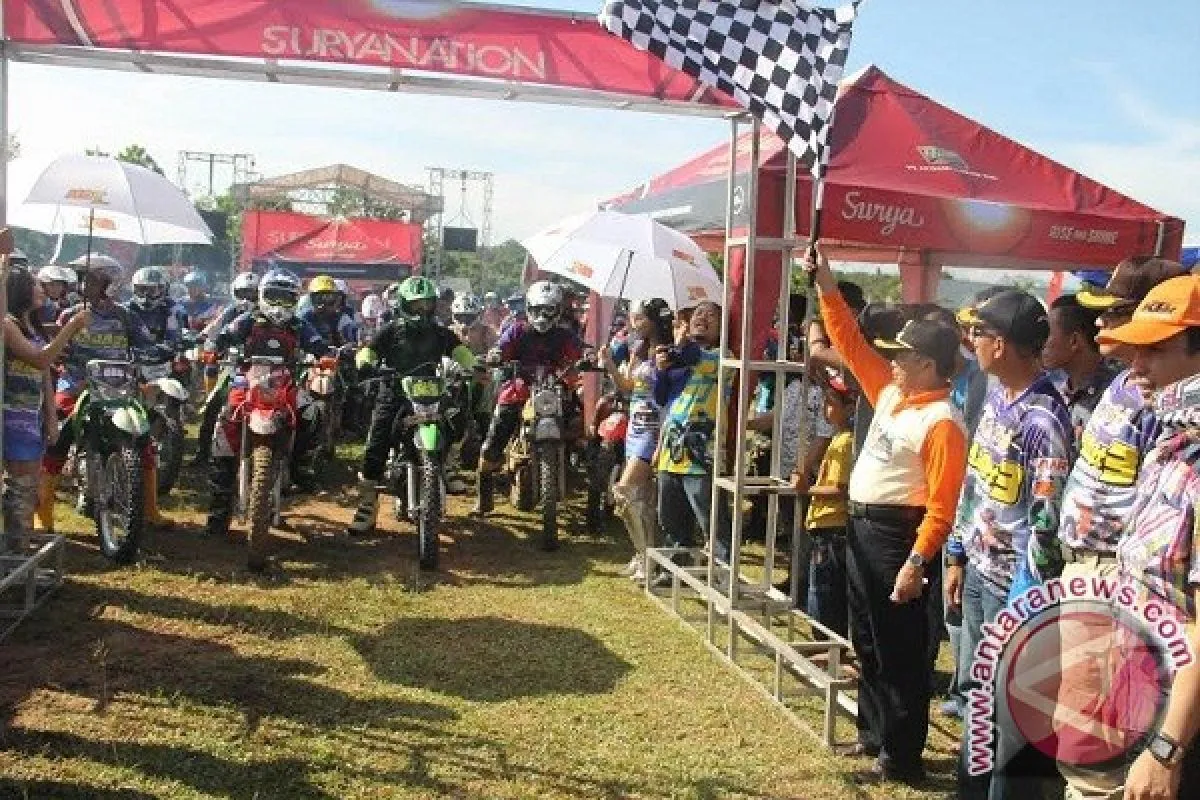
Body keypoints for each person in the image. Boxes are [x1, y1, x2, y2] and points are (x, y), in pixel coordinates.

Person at [808, 248, 967, 785]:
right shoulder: (896, 393)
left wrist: (916, 562)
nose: (892, 361)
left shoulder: (942, 421)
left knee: (900, 650)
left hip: (897, 536)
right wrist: (827, 285)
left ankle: (901, 756)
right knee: (869, 640)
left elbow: (942, 505)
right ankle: (873, 734)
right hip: (863, 527)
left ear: (928, 364)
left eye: (903, 355)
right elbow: (850, 344)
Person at [1050, 256, 1187, 799]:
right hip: (1092, 570)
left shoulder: (1165, 406)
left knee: (1098, 739)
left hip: (1122, 581)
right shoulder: (1125, 386)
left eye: (1115, 313)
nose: (1101, 324)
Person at [945, 289, 1073, 799]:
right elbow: (974, 483)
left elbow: (1047, 519)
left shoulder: (1044, 419)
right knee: (980, 699)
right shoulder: (997, 395)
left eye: (978, 333)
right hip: (980, 573)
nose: (971, 341)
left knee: (1008, 718)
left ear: (999, 344)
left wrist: (1028, 599)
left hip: (1014, 590)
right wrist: (957, 553)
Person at [1087, 275, 1200, 800]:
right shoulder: (1170, 449)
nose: (1136, 366)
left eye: (1155, 350)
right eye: (1135, 350)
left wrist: (1166, 751)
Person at [38, 254, 173, 534]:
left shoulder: (126, 316)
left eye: (90, 280)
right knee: (57, 436)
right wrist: (64, 350)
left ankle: (150, 510)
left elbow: (147, 344)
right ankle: (44, 513)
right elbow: (57, 348)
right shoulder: (70, 315)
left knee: (144, 441)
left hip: (119, 388)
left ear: (109, 284)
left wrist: (163, 351)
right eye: (82, 279)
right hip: (75, 384)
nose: (83, 285)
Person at [200, 270, 331, 557]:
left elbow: (318, 343)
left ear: (295, 300)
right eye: (274, 296)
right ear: (262, 296)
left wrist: (326, 355)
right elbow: (226, 334)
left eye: (286, 298)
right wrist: (213, 347)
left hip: (285, 381)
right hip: (246, 380)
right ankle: (218, 511)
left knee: (311, 414)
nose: (279, 304)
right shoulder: (249, 319)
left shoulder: (299, 324)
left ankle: (301, 466)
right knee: (225, 423)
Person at [348, 277, 477, 534]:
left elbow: (460, 351)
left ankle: (447, 465)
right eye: (416, 305)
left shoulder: (440, 333)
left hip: (431, 391)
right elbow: (369, 350)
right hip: (394, 392)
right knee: (377, 441)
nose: (422, 310)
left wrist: (474, 366)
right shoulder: (391, 330)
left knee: (458, 419)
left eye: (427, 304)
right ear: (403, 305)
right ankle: (368, 503)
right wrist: (365, 362)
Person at [474, 281, 583, 517]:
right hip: (520, 389)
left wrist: (589, 357)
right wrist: (496, 355)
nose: (542, 316)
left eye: (549, 310)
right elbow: (501, 347)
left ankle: (580, 467)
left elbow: (579, 350)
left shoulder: (564, 335)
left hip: (555, 390)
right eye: (537, 309)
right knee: (496, 436)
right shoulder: (517, 330)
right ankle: (484, 493)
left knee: (578, 423)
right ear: (529, 308)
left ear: (558, 311)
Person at [3, 265, 91, 553]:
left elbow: (44, 377)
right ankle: (16, 553)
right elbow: (40, 360)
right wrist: (70, 328)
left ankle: (20, 549)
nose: (41, 289)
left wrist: (51, 418)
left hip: (34, 416)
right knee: (20, 487)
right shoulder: (8, 325)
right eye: (35, 284)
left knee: (28, 487)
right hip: (13, 417)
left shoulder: (33, 325)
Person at [652, 300, 732, 575]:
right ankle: (674, 570)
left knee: (711, 518)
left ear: (722, 327)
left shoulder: (724, 357)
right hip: (671, 450)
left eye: (711, 315)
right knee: (670, 517)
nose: (702, 318)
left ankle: (722, 575)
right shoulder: (680, 357)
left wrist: (682, 344)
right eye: (698, 313)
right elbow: (660, 397)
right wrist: (661, 369)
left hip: (702, 453)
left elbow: (696, 357)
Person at [599, 297, 672, 584]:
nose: (634, 323)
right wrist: (609, 363)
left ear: (654, 320)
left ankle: (648, 557)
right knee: (642, 497)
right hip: (634, 426)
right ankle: (643, 556)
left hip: (654, 427)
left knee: (624, 491)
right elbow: (628, 386)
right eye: (632, 317)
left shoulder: (666, 352)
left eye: (639, 318)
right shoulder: (637, 350)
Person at [192, 272, 262, 468]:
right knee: (213, 406)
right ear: (234, 293)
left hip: (260, 369)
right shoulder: (230, 311)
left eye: (252, 294)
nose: (247, 299)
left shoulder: (267, 314)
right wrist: (205, 341)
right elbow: (213, 331)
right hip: (232, 368)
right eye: (243, 293)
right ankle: (203, 453)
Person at [804, 379, 856, 638]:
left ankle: (826, 641)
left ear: (849, 408)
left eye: (832, 403)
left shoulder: (845, 442)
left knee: (824, 589)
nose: (826, 408)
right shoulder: (838, 439)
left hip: (832, 526)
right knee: (823, 586)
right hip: (824, 523)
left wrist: (806, 489)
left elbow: (839, 488)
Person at [1041, 293, 1124, 442]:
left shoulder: (1115, 393)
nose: (1041, 342)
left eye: (1047, 333)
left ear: (1074, 341)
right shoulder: (1056, 390)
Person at [127, 266, 189, 350]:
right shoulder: (125, 309)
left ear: (164, 290)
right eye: (141, 289)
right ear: (133, 289)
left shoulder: (173, 309)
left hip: (164, 356)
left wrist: (171, 345)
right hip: (129, 355)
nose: (146, 295)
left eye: (152, 290)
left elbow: (177, 338)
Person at [300, 275, 357, 348]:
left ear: (336, 299)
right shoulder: (303, 319)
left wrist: (350, 344)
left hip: (334, 354)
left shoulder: (342, 319)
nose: (324, 304)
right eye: (319, 298)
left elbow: (353, 336)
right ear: (311, 299)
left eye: (329, 298)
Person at [35, 264, 78, 330]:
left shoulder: (61, 303)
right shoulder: (42, 303)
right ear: (42, 285)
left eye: (59, 284)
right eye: (51, 284)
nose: (56, 288)